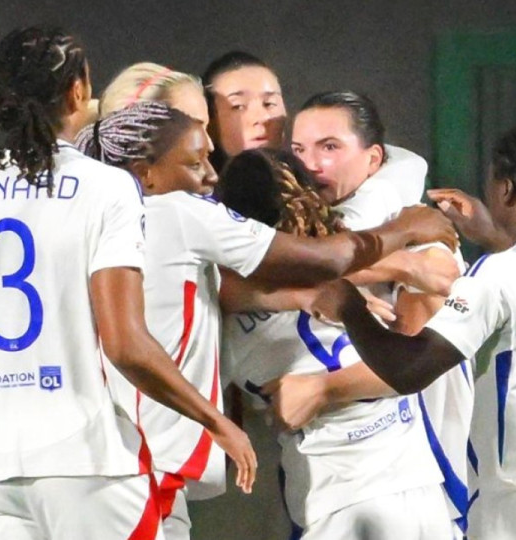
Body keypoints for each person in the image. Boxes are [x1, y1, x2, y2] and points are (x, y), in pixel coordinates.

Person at [76, 100, 458, 539]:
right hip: (407, 481)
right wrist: (402, 249)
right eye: (195, 161)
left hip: (326, 491)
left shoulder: (218, 317)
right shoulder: (370, 215)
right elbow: (395, 179)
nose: (210, 177)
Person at [0, 27, 259, 540]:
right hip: (85, 461)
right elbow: (125, 343)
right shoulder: (106, 186)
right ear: (76, 92)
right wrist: (215, 420)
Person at [311, 121, 516, 539]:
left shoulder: (498, 274)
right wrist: (498, 237)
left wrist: (349, 307)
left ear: (506, 190)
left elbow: (409, 370)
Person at [219, 142, 455, 540]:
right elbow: (409, 162)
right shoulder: (359, 233)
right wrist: (400, 249)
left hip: (333, 498)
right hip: (418, 487)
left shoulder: (219, 314)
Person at [202, 52, 426, 207]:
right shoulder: (198, 197)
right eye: (238, 107)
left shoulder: (305, 177)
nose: (261, 118)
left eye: (270, 103)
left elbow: (407, 163)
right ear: (208, 119)